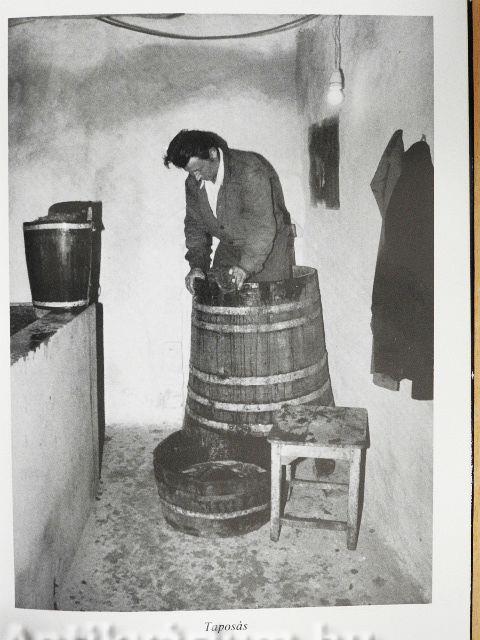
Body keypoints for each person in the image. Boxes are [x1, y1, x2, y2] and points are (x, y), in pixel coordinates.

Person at [163, 129, 295, 293]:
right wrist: (197, 266)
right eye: (190, 172)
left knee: (268, 303)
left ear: (212, 154)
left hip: (269, 247)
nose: (195, 177)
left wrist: (246, 267)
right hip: (230, 248)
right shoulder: (193, 184)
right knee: (217, 299)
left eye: (198, 170)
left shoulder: (249, 170)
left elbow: (262, 227)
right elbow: (195, 226)